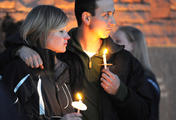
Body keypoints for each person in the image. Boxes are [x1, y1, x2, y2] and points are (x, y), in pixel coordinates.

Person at [1, 0, 154, 120]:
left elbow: (146, 113)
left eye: (113, 14)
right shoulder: (61, 53)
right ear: (87, 17)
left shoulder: (124, 60)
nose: (113, 21)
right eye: (106, 15)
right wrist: (19, 49)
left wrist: (121, 91)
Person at [2, 5, 82, 120]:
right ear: (42, 33)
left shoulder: (65, 69)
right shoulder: (20, 70)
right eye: (61, 31)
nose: (68, 36)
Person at [112, 26, 160, 120]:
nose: (113, 45)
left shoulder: (146, 80)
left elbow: (145, 113)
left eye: (118, 41)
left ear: (133, 45)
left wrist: (120, 91)